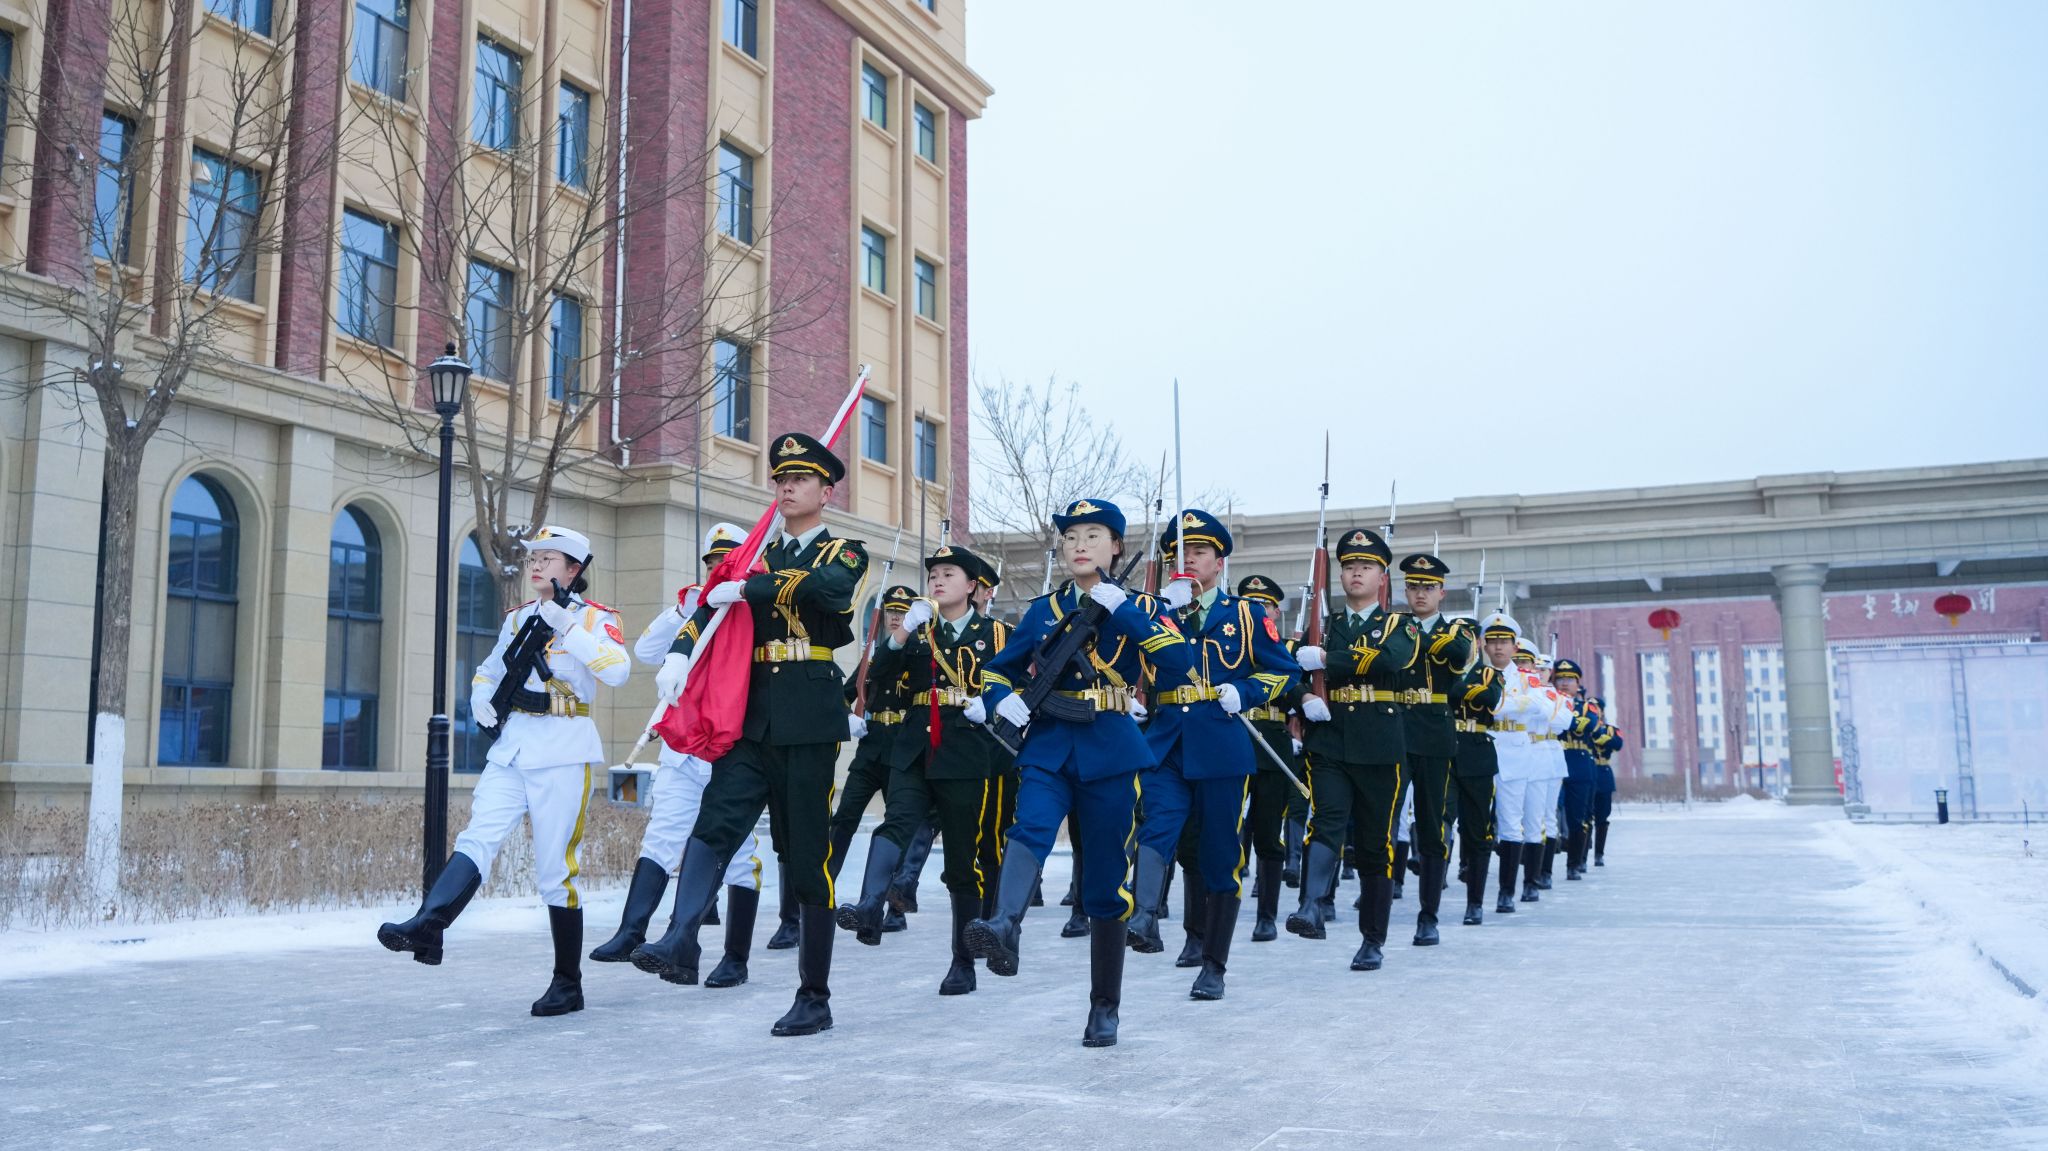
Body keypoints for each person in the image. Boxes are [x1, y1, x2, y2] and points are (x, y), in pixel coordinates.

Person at [638, 433, 867, 1037]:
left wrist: (753, 587)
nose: (786, 487)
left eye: (799, 478)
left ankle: (813, 995)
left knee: (807, 857)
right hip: (749, 713)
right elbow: (711, 608)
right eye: (780, 479)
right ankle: (680, 936)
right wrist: (681, 655)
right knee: (715, 822)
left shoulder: (843, 551)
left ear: (826, 489)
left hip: (807, 716)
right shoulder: (753, 552)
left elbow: (828, 592)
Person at [963, 497, 1194, 1047]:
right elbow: (997, 670)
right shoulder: (1045, 610)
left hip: (1112, 747)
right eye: (1070, 538)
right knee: (1030, 827)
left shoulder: (1138, 604)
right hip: (1048, 744)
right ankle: (1004, 924)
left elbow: (1179, 662)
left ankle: (1104, 1006)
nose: (1080, 545)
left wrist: (1127, 612)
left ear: (1115, 546)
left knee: (1105, 881)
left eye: (1093, 535)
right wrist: (1003, 699)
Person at [378, 526, 629, 1017]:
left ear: (573, 570)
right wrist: (478, 696)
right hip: (514, 746)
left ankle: (567, 983)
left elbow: (617, 670)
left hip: (562, 749)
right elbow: (489, 670)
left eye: (549, 558)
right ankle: (428, 923)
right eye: (533, 557)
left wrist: (568, 628)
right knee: (478, 838)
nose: (535, 565)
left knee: (556, 871)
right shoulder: (518, 619)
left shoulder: (596, 619)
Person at [1124, 511, 1300, 1001]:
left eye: (1197, 552)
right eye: (1177, 554)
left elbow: (1283, 670)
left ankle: (1214, 963)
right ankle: (1143, 915)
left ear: (1219, 562)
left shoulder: (1244, 615)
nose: (1186, 561)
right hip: (1164, 740)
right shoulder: (1156, 610)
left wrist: (1244, 692)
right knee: (1157, 824)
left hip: (1221, 743)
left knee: (1221, 854)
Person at [591, 524, 765, 988]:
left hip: (734, 751)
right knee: (662, 837)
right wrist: (683, 612)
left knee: (740, 856)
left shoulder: (755, 612)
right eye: (712, 565)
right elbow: (647, 651)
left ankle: (735, 957)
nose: (717, 571)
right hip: (684, 747)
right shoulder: (693, 608)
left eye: (725, 564)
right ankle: (634, 932)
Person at [843, 545, 1011, 995]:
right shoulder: (919, 631)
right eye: (933, 573)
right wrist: (899, 636)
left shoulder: (996, 634)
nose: (937, 580)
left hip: (967, 749)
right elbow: (874, 675)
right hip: (916, 744)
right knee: (896, 822)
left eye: (948, 573)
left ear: (972, 585)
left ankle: (963, 961)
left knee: (962, 860)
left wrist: (990, 703)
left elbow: (1021, 683)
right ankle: (868, 905)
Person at [1287, 528, 1421, 972]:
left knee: (1374, 844)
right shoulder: (1322, 627)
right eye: (1348, 566)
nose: (1355, 572)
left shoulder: (1400, 626)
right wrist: (1303, 695)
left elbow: (1390, 660)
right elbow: (1288, 672)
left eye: (1365, 566)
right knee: (1324, 820)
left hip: (1380, 745)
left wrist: (1327, 661)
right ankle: (1310, 905)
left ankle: (1372, 939)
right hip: (1329, 738)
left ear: (1383, 577)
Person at [820, 582, 918, 944]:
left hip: (904, 751)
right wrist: (847, 716)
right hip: (871, 747)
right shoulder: (872, 657)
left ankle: (890, 906)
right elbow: (842, 696)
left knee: (896, 828)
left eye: (903, 613)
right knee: (843, 819)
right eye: (891, 612)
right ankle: (822, 894)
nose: (896, 618)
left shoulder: (919, 653)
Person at [1392, 552, 1477, 947]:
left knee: (1431, 823)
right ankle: (1377, 892)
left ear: (1442, 592)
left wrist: (1407, 636)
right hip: (1393, 728)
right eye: (1413, 586)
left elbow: (1457, 656)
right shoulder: (1392, 625)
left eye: (1428, 587)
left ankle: (1428, 915)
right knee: (1382, 816)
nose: (1420, 593)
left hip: (1433, 731)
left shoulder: (1458, 630)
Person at [1234, 574, 1304, 943]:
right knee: (1227, 831)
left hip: (1273, 742)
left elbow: (1297, 690)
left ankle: (1267, 916)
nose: (1259, 611)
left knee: (1267, 834)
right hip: (1235, 739)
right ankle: (1221, 908)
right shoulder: (1228, 648)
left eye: (1266, 606)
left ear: (1276, 612)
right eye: (1251, 604)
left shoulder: (1287, 653)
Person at [1479, 612, 1545, 915]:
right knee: (1477, 822)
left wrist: (1495, 704)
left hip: (1515, 751)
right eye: (1492, 641)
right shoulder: (1474, 673)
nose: (1498, 648)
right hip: (1481, 745)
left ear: (1515, 646)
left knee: (1511, 823)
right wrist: (1510, 705)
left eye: (1504, 641)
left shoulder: (1527, 678)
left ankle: (1507, 891)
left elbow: (1536, 706)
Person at [1450, 658, 1506, 924]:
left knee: (1478, 831)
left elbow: (1492, 697)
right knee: (1436, 823)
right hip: (1444, 749)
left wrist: (1456, 687)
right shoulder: (1440, 666)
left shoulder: (1489, 673)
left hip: (1477, 753)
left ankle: (1475, 903)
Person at [1553, 659, 1607, 881]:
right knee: (1547, 816)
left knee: (1578, 817)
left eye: (1569, 680)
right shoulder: (1547, 701)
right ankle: (1542, 870)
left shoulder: (1587, 707)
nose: (1564, 684)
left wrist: (1565, 720)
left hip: (1579, 760)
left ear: (1577, 683)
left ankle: (1574, 863)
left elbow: (1589, 724)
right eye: (1560, 679)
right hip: (1553, 756)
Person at [1591, 701, 1625, 866]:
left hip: (1603, 773)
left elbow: (1618, 744)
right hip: (1588, 771)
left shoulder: (1611, 729)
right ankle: (1582, 854)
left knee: (1602, 817)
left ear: (1602, 711)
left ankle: (1599, 854)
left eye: (1596, 707)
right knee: (1584, 816)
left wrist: (1605, 739)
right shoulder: (1584, 726)